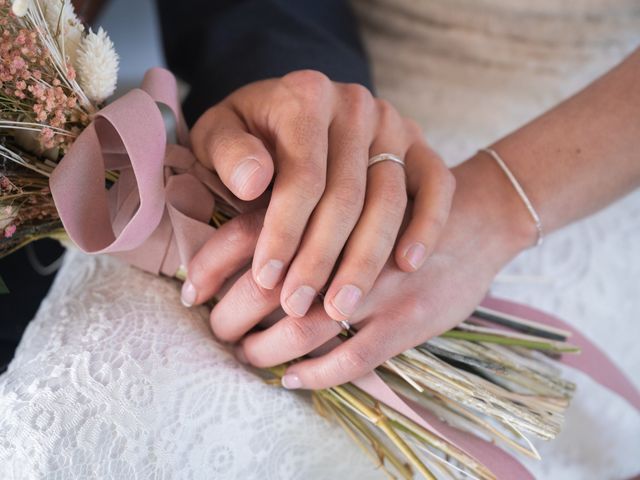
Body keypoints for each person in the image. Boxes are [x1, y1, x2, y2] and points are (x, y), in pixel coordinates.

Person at [0, 1, 638, 479]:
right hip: (336, 95)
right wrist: (299, 131)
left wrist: (496, 206)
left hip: (574, 157)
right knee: (81, 421)